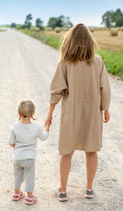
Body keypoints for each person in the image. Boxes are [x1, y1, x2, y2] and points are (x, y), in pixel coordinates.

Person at [45, 23, 111, 202]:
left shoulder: (65, 62)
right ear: (89, 41)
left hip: (71, 112)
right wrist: (105, 108)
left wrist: (50, 113)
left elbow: (56, 90)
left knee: (67, 152)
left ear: (70, 41)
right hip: (92, 112)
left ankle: (63, 191)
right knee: (92, 151)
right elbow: (105, 87)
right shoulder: (98, 61)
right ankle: (89, 189)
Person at [9, 100, 49, 205]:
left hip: (17, 157)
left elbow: (11, 143)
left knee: (17, 175)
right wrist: (47, 127)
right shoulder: (36, 127)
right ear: (33, 113)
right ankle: (30, 197)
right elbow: (44, 137)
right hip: (29, 158)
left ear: (19, 113)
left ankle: (16, 193)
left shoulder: (14, 126)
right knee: (29, 176)